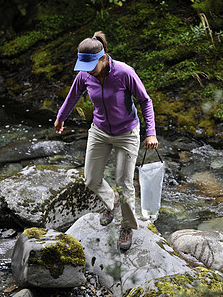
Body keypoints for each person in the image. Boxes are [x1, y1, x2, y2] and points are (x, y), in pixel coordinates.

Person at [54, 31, 158, 251]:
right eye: (83, 65)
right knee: (91, 179)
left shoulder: (124, 72)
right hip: (99, 131)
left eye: (91, 64)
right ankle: (112, 202)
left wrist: (151, 133)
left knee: (124, 182)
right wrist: (61, 117)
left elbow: (145, 101)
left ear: (103, 58)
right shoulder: (84, 74)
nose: (86, 70)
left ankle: (127, 226)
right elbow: (73, 96)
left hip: (127, 134)